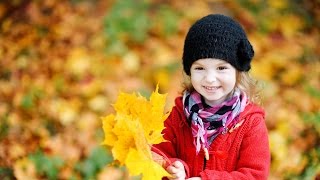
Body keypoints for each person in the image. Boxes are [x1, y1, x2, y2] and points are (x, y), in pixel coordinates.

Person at [152, 14, 270, 180]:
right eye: (200, 68)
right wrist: (173, 166)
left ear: (237, 71)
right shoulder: (178, 116)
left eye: (221, 68)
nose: (209, 78)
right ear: (189, 70)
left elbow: (255, 175)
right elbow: (158, 154)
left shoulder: (251, 124)